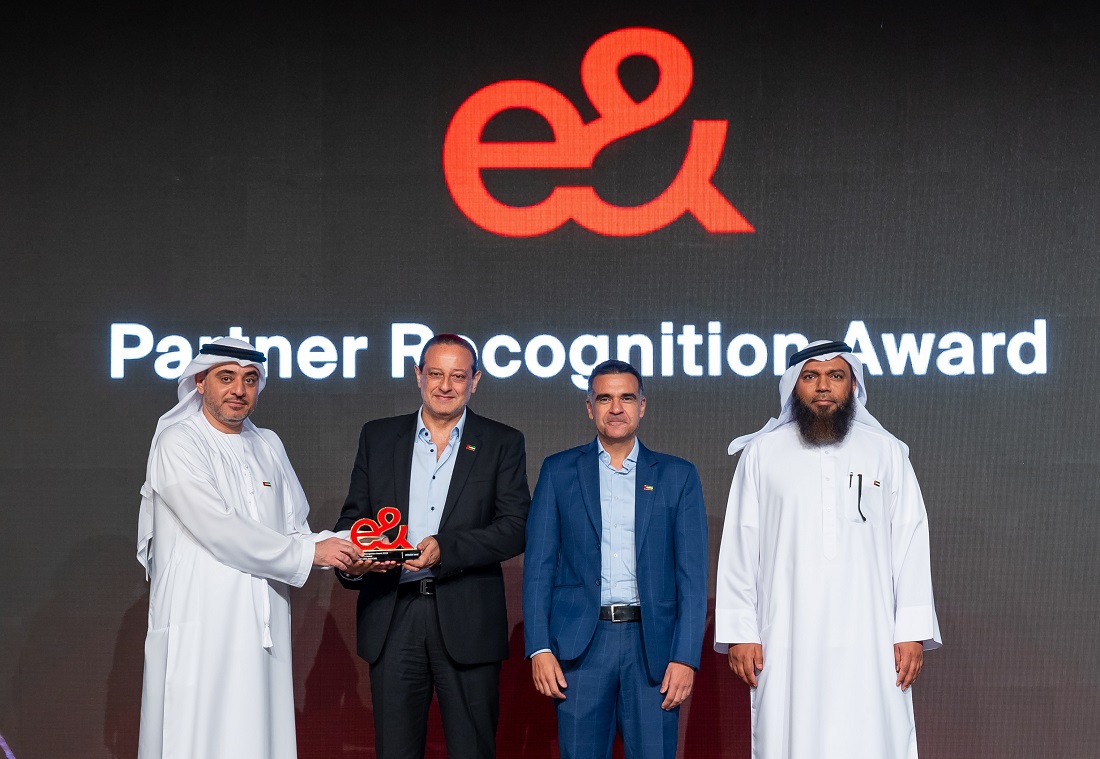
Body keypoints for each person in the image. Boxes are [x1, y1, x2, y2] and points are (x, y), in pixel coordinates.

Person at [715, 340, 942, 759]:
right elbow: (741, 544)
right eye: (811, 377)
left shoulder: (887, 452)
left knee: (873, 736)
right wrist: (740, 633)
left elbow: (909, 539)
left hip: (871, 637)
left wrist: (910, 629)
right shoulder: (761, 454)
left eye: (835, 376)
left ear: (852, 385)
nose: (823, 386)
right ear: (794, 387)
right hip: (786, 638)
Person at [136, 337, 361, 759]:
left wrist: (352, 549)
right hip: (202, 626)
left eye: (250, 380)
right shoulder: (178, 443)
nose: (239, 389)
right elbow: (220, 529)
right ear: (200, 381)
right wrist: (312, 554)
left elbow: (294, 533)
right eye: (227, 378)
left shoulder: (268, 445)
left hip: (263, 630)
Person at [334, 333, 531, 759]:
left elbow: (516, 527)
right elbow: (352, 522)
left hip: (468, 619)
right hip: (393, 614)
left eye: (457, 375)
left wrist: (447, 548)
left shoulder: (502, 442)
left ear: (475, 380)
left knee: (472, 750)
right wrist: (356, 564)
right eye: (436, 373)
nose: (445, 385)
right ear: (418, 376)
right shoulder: (379, 437)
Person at [523, 360, 708, 759]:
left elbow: (692, 577)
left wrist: (684, 656)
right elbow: (538, 568)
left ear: (643, 405)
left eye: (626, 397)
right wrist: (538, 647)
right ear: (589, 407)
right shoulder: (558, 471)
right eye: (604, 398)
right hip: (581, 649)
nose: (616, 408)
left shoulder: (678, 476)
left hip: (653, 649)